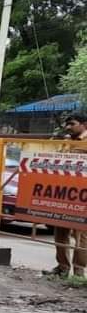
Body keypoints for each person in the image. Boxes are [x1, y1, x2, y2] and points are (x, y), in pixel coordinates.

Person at [48, 113, 87, 277]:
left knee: (82, 235)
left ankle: (79, 272)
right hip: (63, 194)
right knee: (60, 232)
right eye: (67, 124)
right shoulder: (65, 141)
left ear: (84, 124)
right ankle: (63, 267)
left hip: (83, 195)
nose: (68, 127)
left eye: (72, 124)